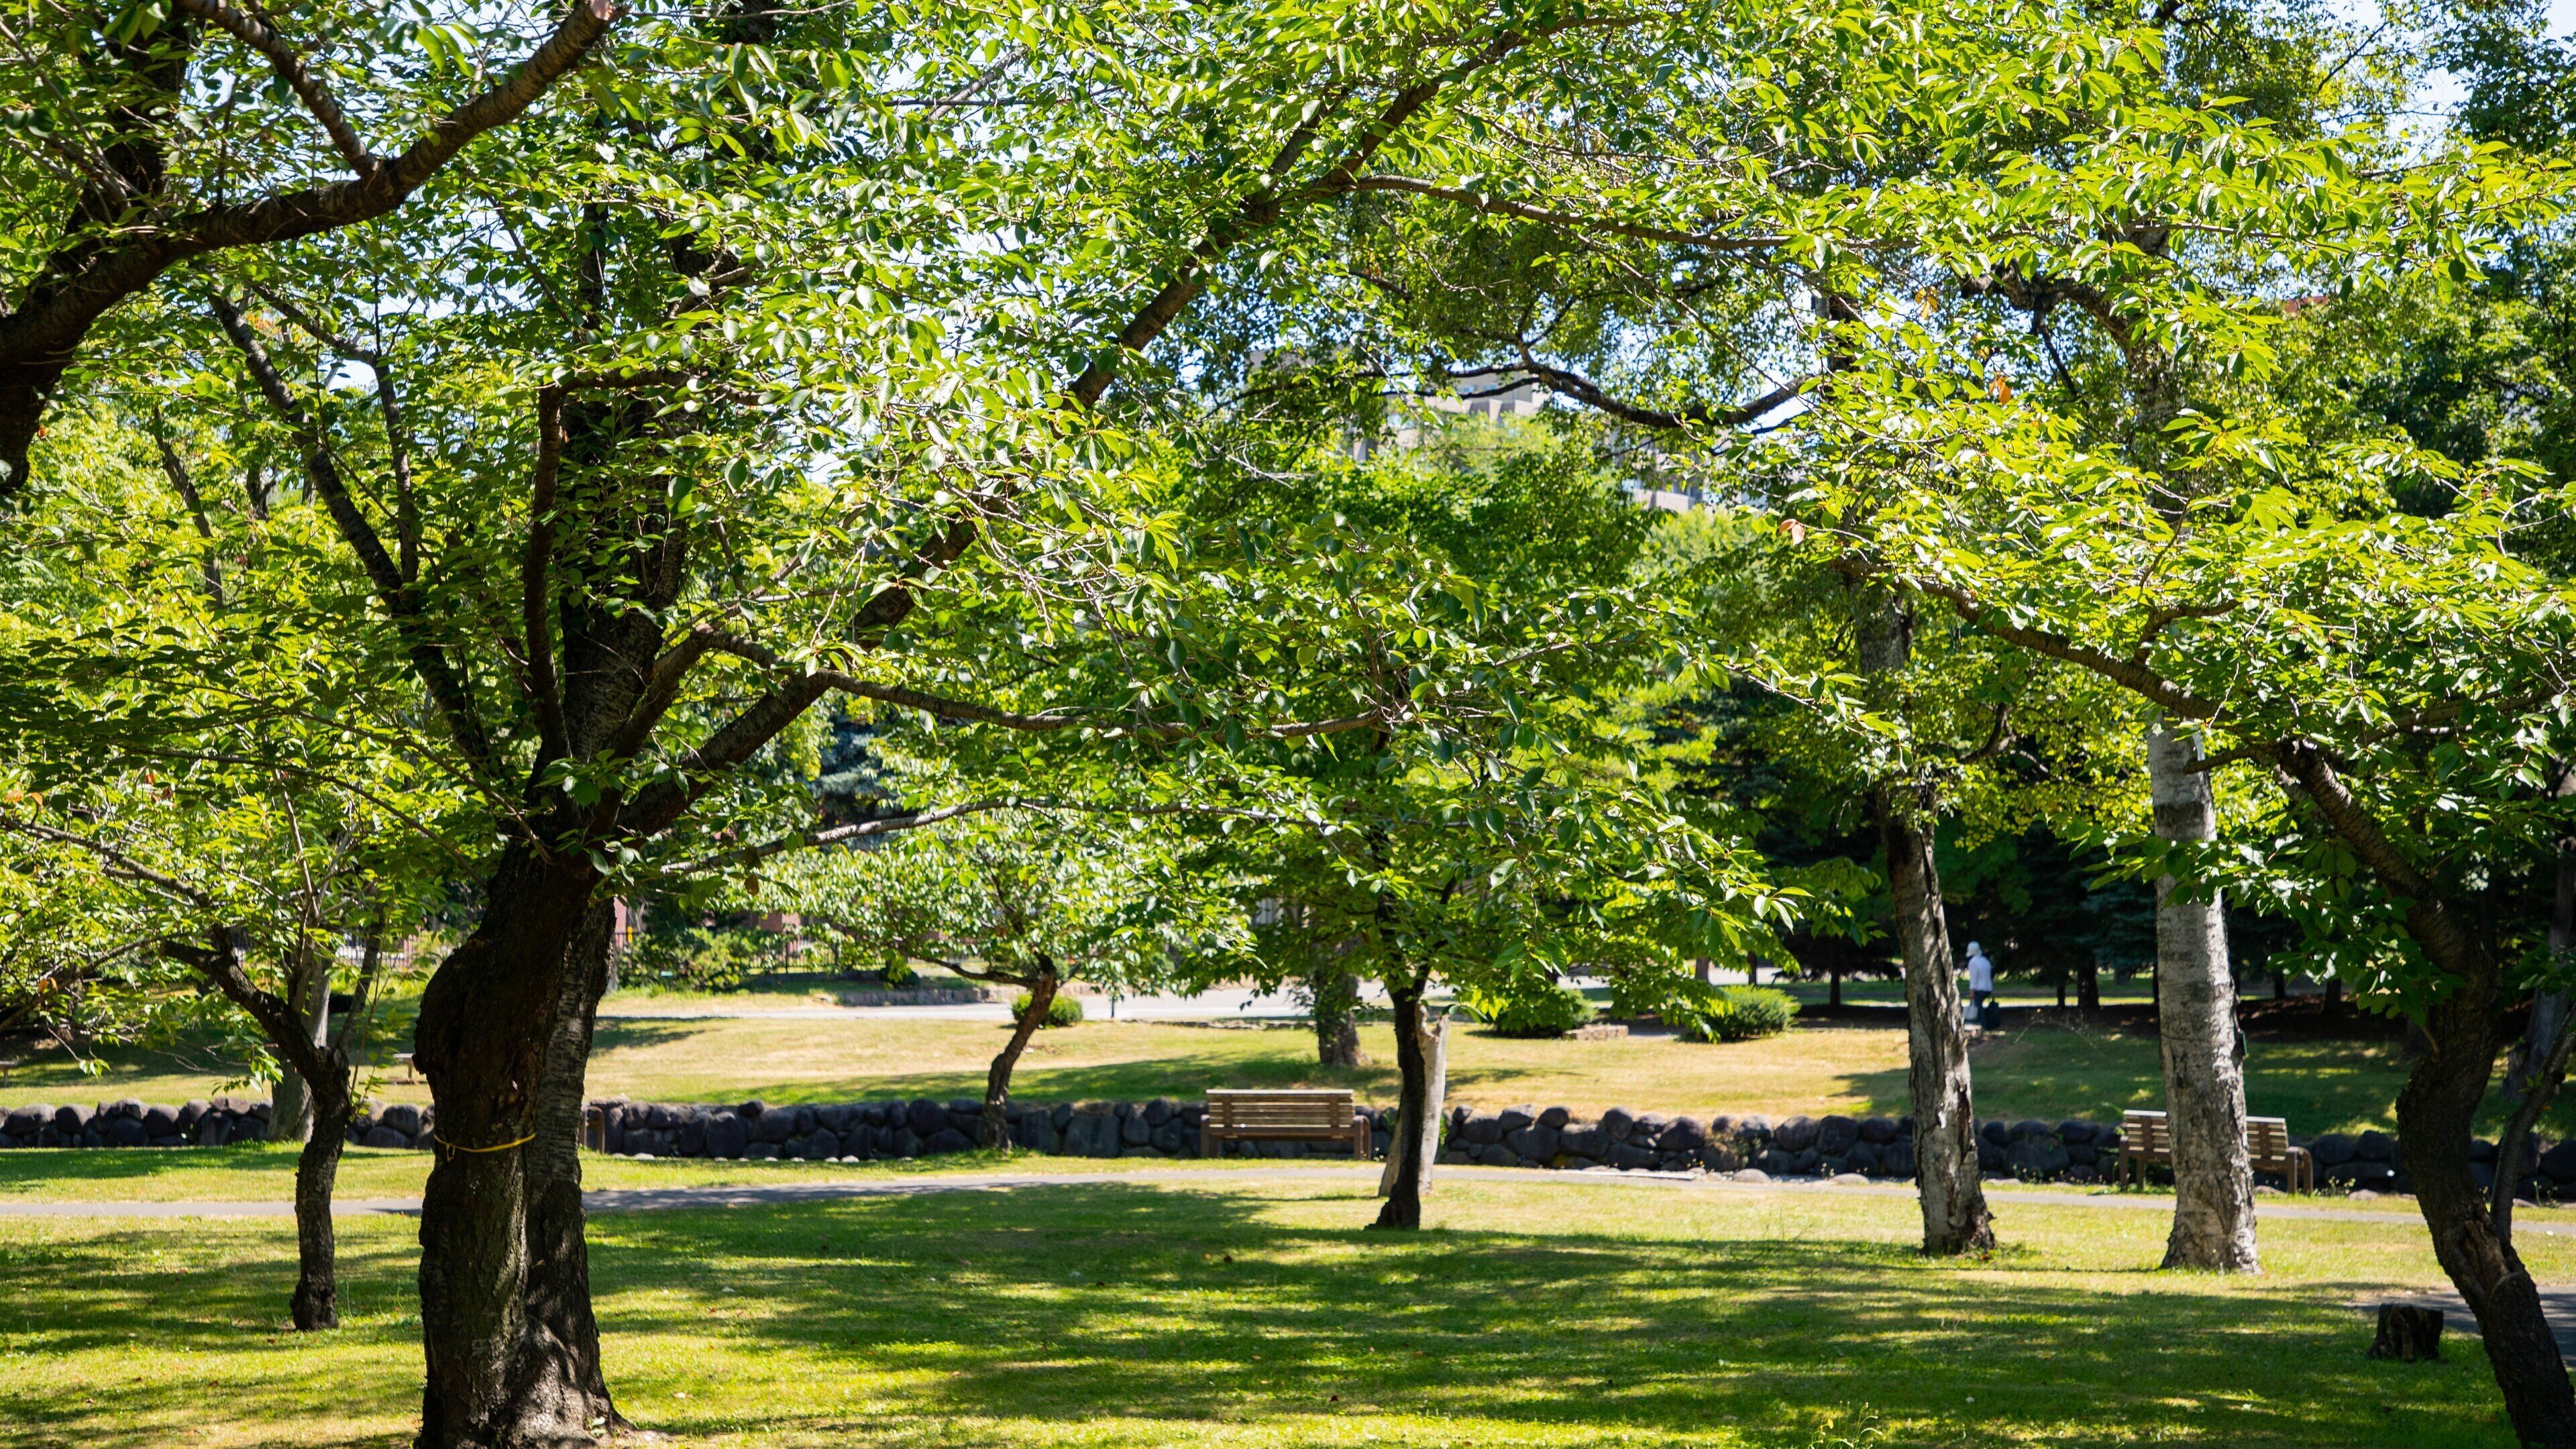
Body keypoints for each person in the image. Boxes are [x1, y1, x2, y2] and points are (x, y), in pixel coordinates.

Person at [1966, 941, 1995, 1026]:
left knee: (1978, 1008)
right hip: (1987, 988)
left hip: (1979, 989)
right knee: (1980, 1006)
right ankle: (1983, 1023)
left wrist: (1972, 991)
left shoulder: (1973, 962)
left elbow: (1974, 978)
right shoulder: (1985, 961)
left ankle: (1982, 1024)